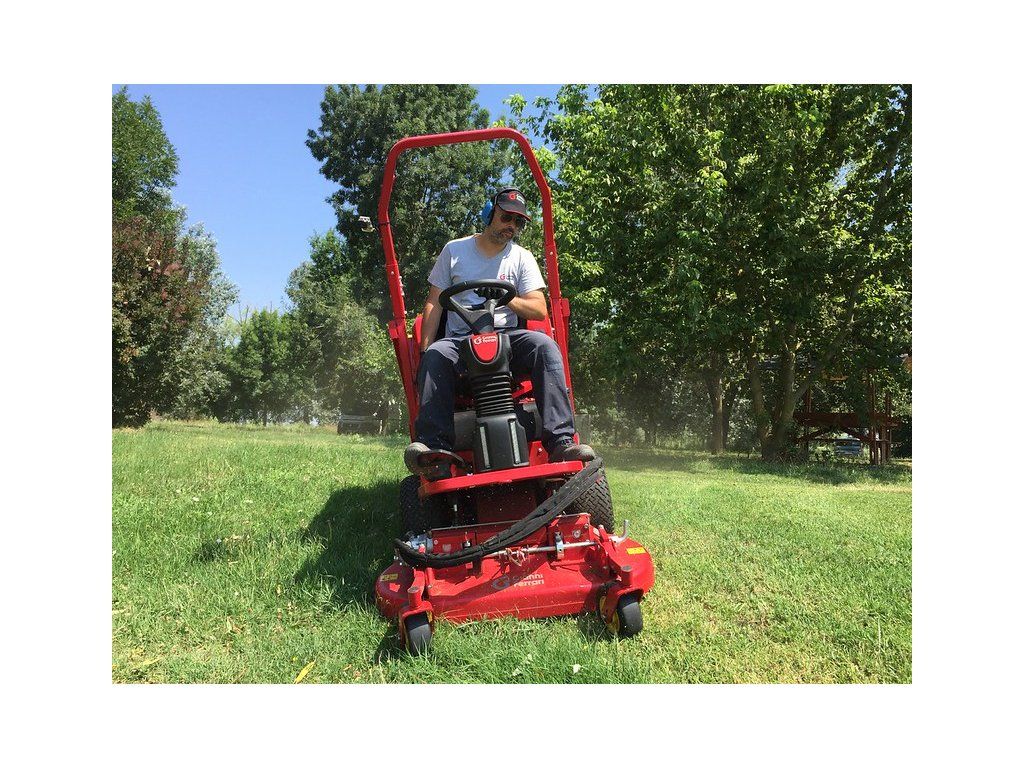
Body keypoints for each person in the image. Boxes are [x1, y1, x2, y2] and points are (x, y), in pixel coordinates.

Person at [404, 188, 596, 477]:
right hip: (460, 343)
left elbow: (539, 309)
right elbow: (434, 302)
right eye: (506, 217)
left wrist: (508, 299)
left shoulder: (522, 257)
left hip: (507, 340)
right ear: (489, 213)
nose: (511, 226)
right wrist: (424, 352)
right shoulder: (454, 251)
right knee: (435, 355)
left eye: (518, 222)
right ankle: (435, 451)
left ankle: (561, 442)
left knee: (544, 347)